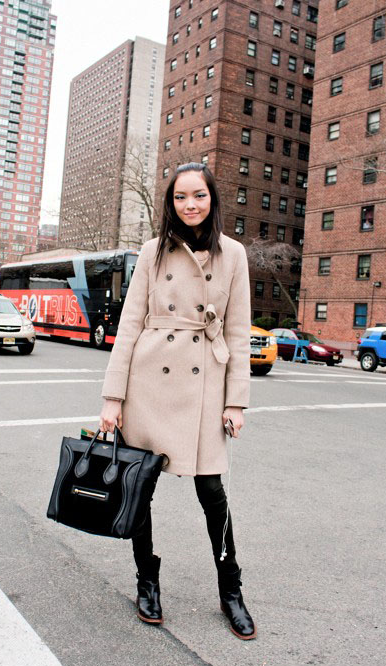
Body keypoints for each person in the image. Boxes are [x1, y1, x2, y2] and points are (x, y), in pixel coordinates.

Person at [99, 162, 255, 640]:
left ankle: (231, 589)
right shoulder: (153, 251)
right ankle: (147, 580)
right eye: (180, 197)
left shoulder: (233, 254)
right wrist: (113, 397)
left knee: (213, 494)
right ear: (170, 203)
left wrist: (236, 402)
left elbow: (238, 332)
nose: (190, 205)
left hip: (205, 383)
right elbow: (129, 325)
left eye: (199, 195)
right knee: (139, 488)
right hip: (149, 381)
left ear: (212, 199)